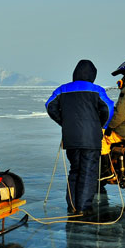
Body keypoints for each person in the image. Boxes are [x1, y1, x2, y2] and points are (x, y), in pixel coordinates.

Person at [45, 59, 114, 214]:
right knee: (88, 172)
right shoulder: (97, 90)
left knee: (75, 170)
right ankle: (83, 208)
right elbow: (109, 108)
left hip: (71, 138)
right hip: (91, 139)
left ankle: (73, 206)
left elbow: (50, 105)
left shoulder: (63, 89)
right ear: (93, 75)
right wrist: (102, 126)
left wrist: (64, 122)